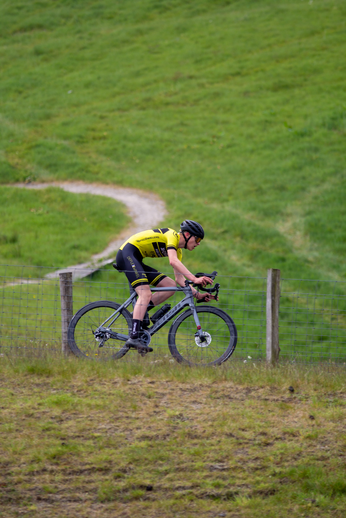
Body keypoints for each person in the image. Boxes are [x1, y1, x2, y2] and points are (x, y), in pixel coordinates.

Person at [114, 220, 216, 354]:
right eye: (197, 239)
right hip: (127, 254)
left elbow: (180, 280)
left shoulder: (178, 251)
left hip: (135, 258)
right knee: (145, 294)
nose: (198, 243)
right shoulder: (171, 235)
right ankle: (133, 337)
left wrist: (198, 295)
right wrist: (195, 279)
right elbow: (172, 261)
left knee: (170, 286)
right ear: (186, 234)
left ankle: (138, 313)